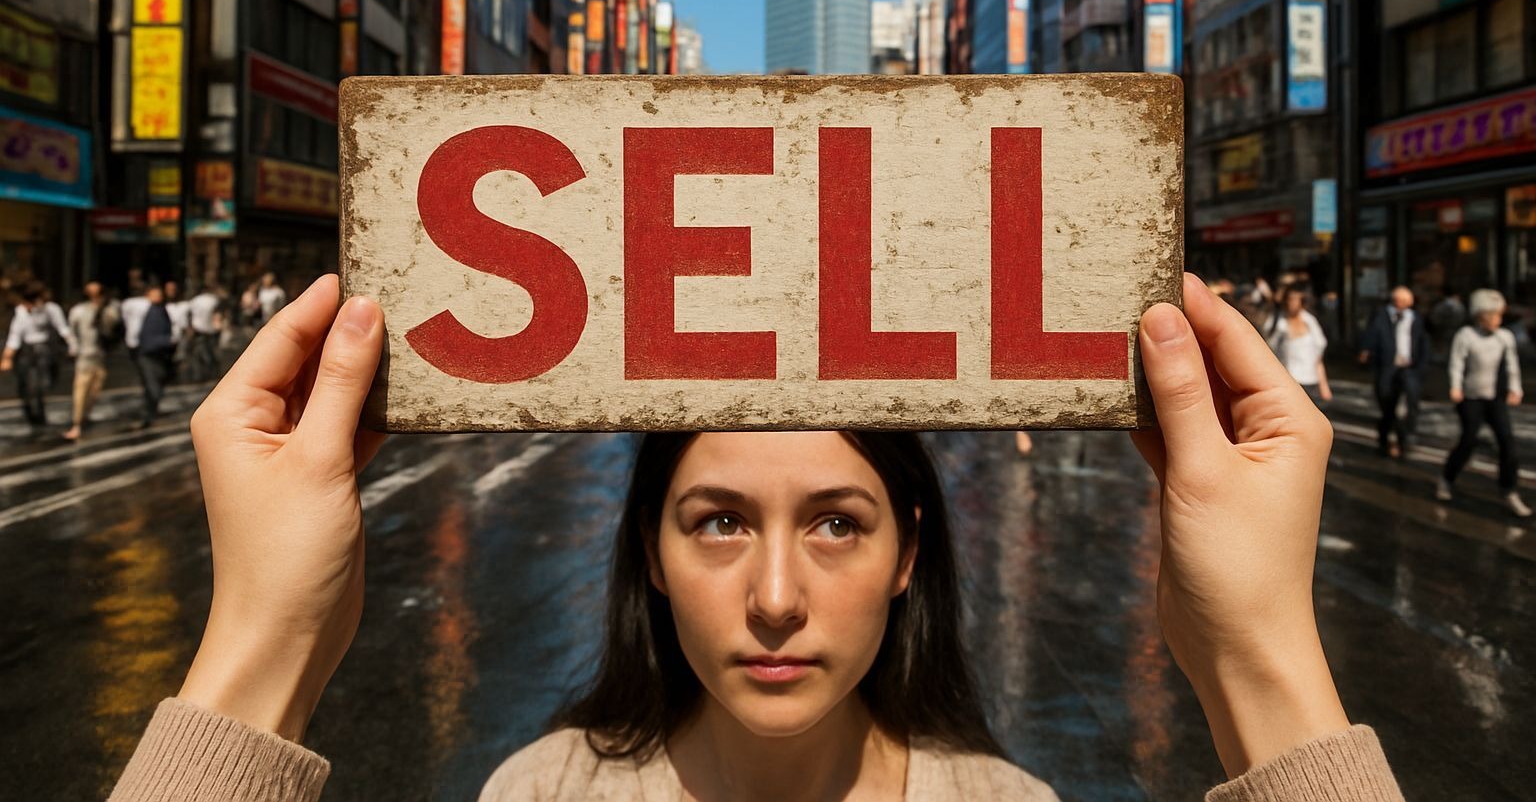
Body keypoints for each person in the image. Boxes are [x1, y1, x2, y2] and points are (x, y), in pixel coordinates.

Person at [106, 273, 1404, 801]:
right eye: (717, 521)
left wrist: (1263, 656)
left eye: (838, 525)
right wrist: (262, 638)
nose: (775, 596)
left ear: (910, 554)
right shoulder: (541, 795)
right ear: (648, 551)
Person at [1437, 290, 1529, 518]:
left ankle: (1509, 489)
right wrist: (1455, 386)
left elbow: (1512, 365)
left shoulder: (1504, 337)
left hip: (1494, 398)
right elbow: (1456, 363)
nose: (1499, 319)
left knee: (1507, 442)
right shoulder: (1466, 335)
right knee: (1468, 440)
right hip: (1471, 397)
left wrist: (1515, 389)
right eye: (1494, 315)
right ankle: (1447, 479)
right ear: (1481, 316)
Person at [1358, 286, 1429, 458]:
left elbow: (1422, 342)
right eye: (1400, 300)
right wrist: (1366, 350)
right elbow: (1372, 333)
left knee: (1410, 402)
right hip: (1387, 366)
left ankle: (1405, 438)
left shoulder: (1415, 318)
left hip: (1409, 367)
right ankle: (1385, 438)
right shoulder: (1381, 315)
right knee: (1387, 403)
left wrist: (1421, 366)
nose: (1402, 304)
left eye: (1406, 301)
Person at [0, 280, 76, 430]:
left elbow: (63, 328)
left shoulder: (50, 309)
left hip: (44, 351)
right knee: (27, 385)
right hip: (26, 352)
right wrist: (7, 357)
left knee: (43, 384)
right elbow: (15, 336)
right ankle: (32, 415)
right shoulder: (21, 312)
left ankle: (39, 411)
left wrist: (73, 346)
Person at [63, 281, 121, 441]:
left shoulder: (108, 310)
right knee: (80, 391)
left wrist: (104, 308)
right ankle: (77, 423)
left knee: (95, 390)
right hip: (84, 356)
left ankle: (84, 416)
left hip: (100, 356)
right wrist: (73, 348)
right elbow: (71, 332)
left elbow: (113, 325)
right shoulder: (78, 311)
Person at [1264, 286, 1332, 409]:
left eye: (1296, 299)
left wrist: (1324, 384)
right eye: (1290, 299)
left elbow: (1318, 356)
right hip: (1289, 381)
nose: (1293, 303)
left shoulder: (1310, 321)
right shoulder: (1278, 323)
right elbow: (1269, 350)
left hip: (1310, 380)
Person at [125, 281, 178, 430]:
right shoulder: (142, 308)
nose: (158, 296)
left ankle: (150, 412)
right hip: (147, 352)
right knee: (152, 385)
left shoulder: (162, 309)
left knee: (157, 382)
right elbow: (134, 328)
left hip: (161, 353)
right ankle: (147, 415)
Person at [186, 284, 226, 382]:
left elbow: (189, 315)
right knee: (212, 352)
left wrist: (190, 327)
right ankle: (212, 373)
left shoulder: (194, 301)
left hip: (198, 329)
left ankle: (199, 375)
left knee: (198, 353)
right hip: (212, 330)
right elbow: (218, 314)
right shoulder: (214, 300)